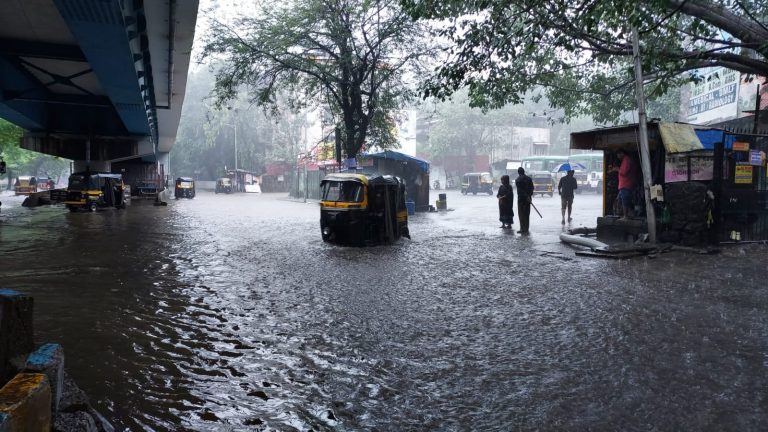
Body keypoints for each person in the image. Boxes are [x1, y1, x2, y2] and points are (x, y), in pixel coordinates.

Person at [614, 149, 637, 219]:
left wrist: (617, 169)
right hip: (624, 184)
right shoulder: (626, 160)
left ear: (622, 153)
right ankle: (626, 214)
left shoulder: (626, 160)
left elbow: (624, 172)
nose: (617, 156)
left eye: (618, 154)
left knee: (625, 201)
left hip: (625, 184)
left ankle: (625, 216)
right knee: (620, 200)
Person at [515, 167, 534, 234]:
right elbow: (532, 188)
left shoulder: (518, 180)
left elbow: (520, 191)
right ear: (524, 171)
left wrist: (525, 196)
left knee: (521, 214)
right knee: (527, 214)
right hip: (528, 199)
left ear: (518, 172)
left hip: (521, 200)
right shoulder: (529, 179)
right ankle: (526, 228)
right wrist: (529, 196)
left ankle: (522, 228)